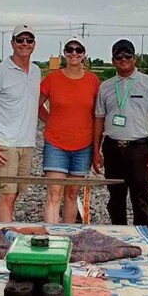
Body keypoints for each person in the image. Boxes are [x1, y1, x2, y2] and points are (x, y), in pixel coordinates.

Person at [92, 39, 148, 228]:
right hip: (112, 147)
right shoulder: (106, 86)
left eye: (127, 55)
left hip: (138, 147)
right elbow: (99, 118)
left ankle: (145, 235)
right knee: (116, 195)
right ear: (113, 60)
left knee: (140, 194)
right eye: (119, 56)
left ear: (135, 58)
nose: (123, 59)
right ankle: (120, 233)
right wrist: (95, 150)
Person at [0, 24, 41, 222]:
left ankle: (7, 228)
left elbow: (36, 105)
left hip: (27, 144)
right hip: (6, 144)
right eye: (20, 40)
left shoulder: (36, 71)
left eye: (29, 40)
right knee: (6, 194)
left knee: (15, 193)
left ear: (34, 44)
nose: (25, 44)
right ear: (12, 43)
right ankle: (4, 234)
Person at [38, 36, 100, 223]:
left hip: (83, 145)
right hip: (56, 144)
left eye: (78, 50)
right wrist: (51, 120)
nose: (74, 53)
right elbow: (36, 105)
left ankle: (66, 238)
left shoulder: (92, 80)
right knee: (54, 194)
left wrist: (97, 147)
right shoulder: (52, 79)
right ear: (64, 53)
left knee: (72, 194)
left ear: (84, 55)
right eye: (70, 49)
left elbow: (98, 113)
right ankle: (51, 239)